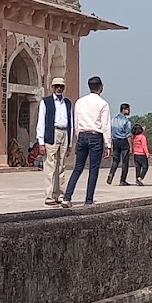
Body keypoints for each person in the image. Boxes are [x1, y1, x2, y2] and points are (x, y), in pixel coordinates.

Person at [62, 76, 110, 207]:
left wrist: (78, 137)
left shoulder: (80, 102)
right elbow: (105, 126)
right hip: (95, 136)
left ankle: (67, 197)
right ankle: (88, 200)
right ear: (101, 88)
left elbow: (76, 123)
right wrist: (108, 144)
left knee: (78, 168)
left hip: (82, 135)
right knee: (93, 170)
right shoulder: (103, 104)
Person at [35, 78, 73, 206]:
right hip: (52, 133)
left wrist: (70, 143)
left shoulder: (67, 103)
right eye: (56, 86)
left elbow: (71, 122)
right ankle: (49, 195)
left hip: (64, 133)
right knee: (50, 165)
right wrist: (41, 142)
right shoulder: (46, 102)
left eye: (61, 86)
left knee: (61, 166)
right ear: (53, 87)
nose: (59, 89)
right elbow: (41, 122)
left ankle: (60, 194)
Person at [109, 103, 133, 187]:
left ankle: (111, 173)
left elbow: (111, 131)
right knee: (125, 161)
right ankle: (122, 180)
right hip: (123, 141)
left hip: (115, 140)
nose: (129, 111)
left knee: (115, 160)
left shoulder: (113, 120)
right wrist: (131, 146)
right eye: (128, 109)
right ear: (124, 110)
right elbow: (128, 134)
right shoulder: (126, 121)